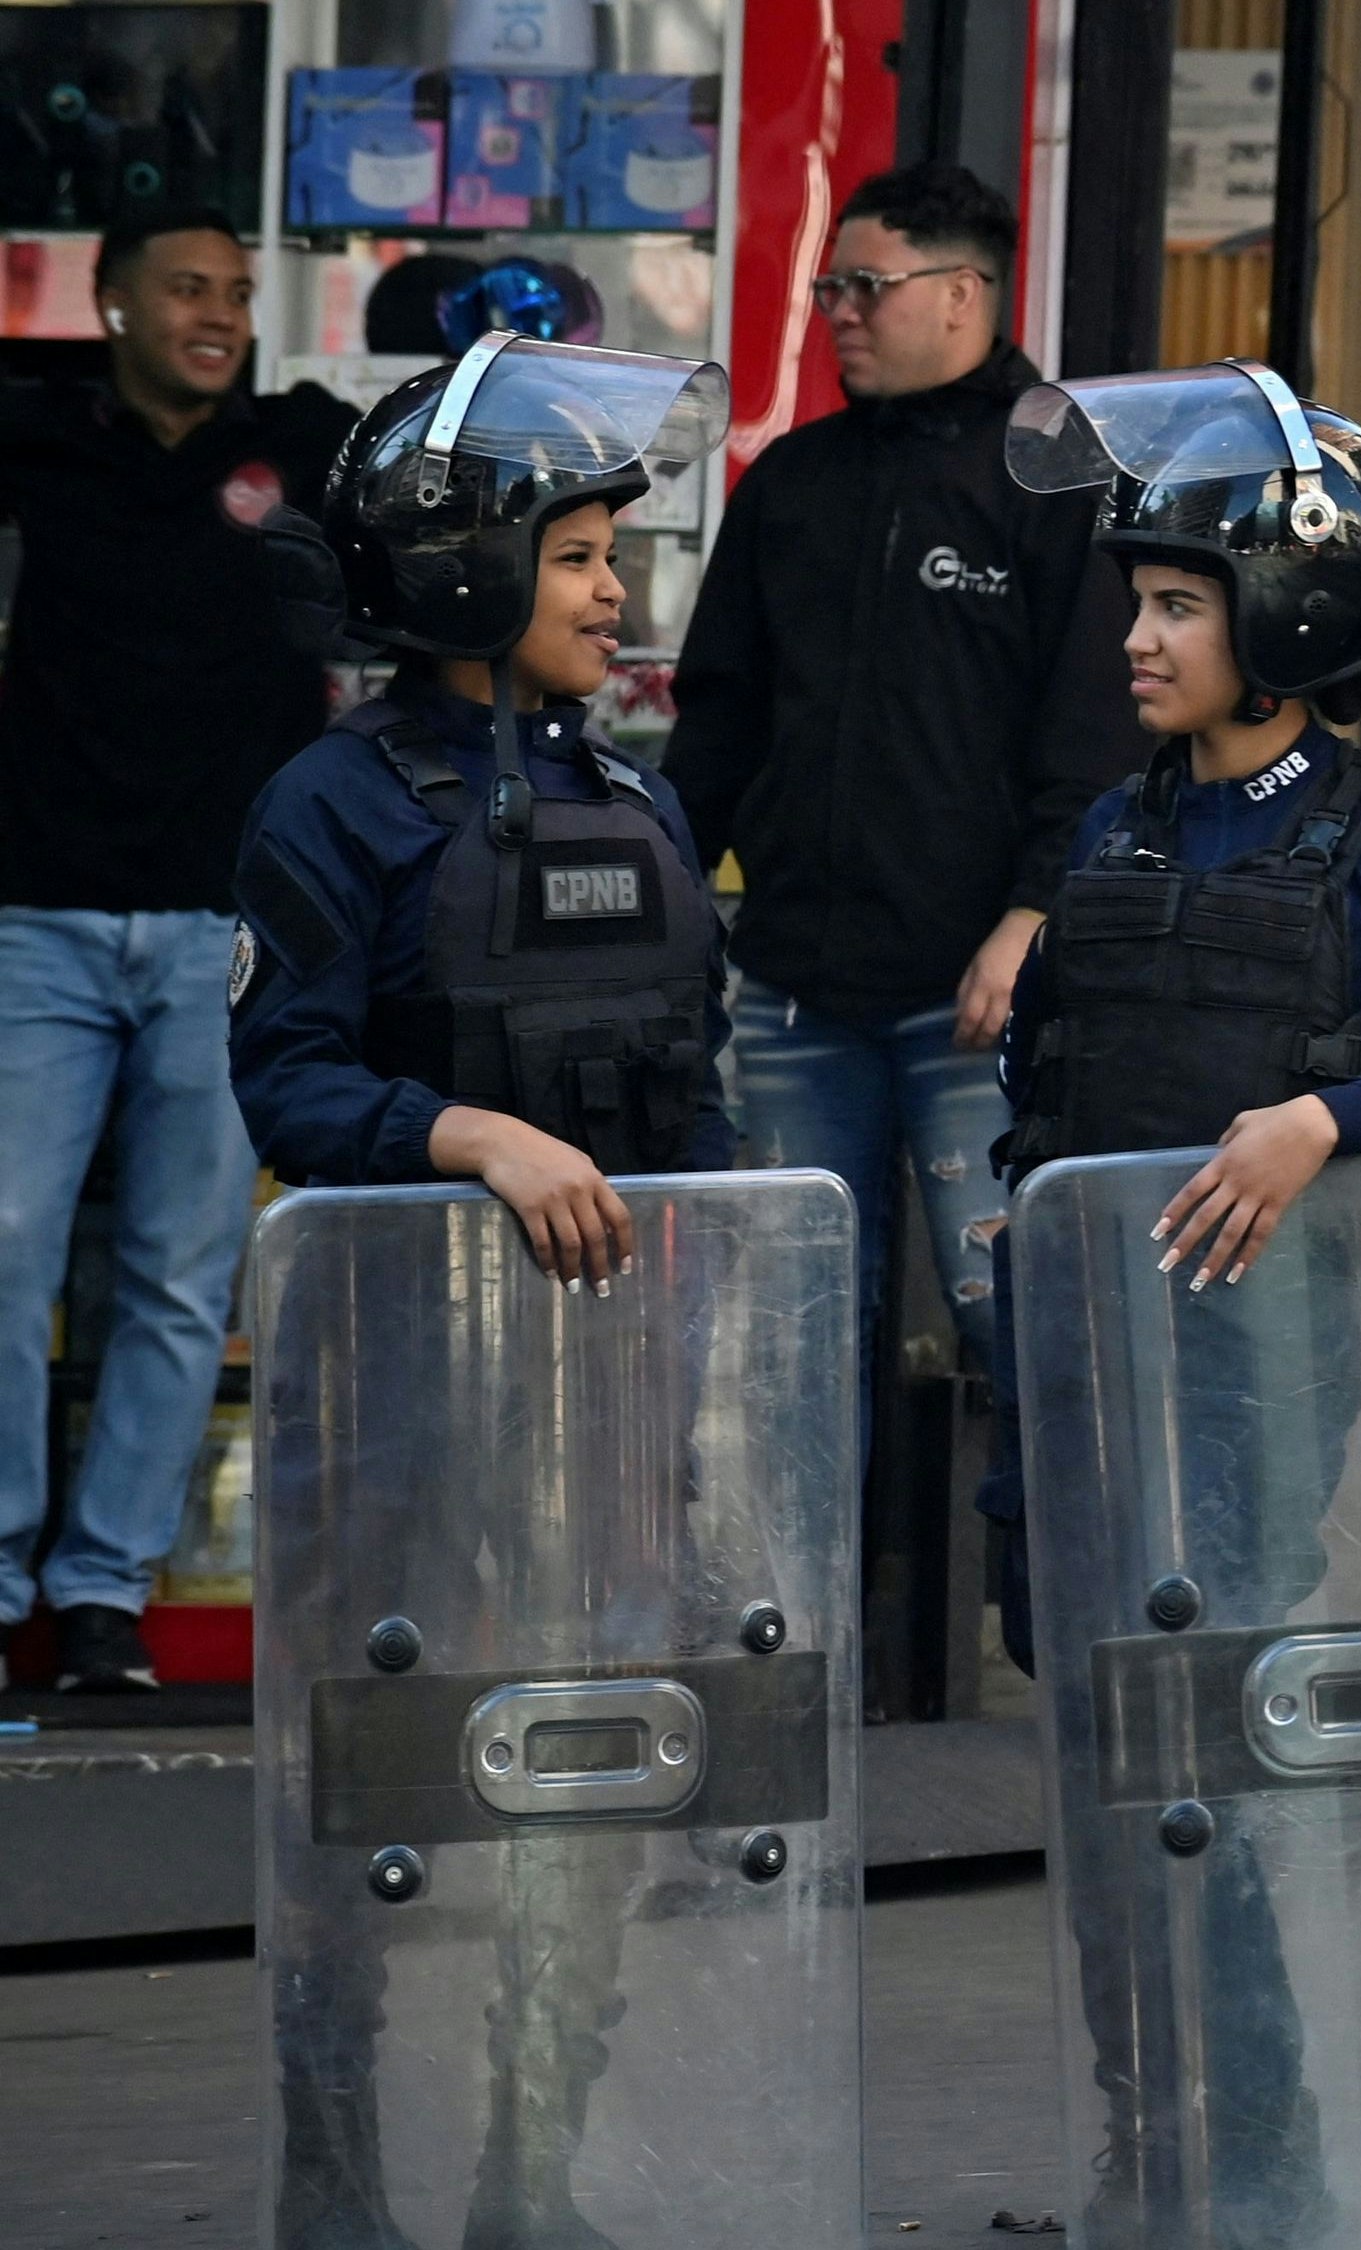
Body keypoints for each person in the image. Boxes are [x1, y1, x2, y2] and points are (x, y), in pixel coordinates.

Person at [979, 364, 1361, 2240]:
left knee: (1216, 1771)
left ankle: (1268, 2153)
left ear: (1285, 619)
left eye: (1176, 605)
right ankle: (1157, 2146)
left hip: (1269, 1383)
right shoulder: (1113, 829)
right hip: (1090, 1376)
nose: (1136, 638)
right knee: (1114, 1770)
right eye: (1139, 603)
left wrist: (1319, 1120)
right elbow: (1040, 1104)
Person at [229, 333, 734, 2247]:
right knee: (366, 1791)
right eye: (587, 555)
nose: (619, 592)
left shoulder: (642, 798)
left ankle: (533, 2173)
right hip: (400, 1393)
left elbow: (701, 1096)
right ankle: (342, 2176)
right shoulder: (331, 808)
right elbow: (289, 1079)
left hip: (606, 1398)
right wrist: (475, 1140)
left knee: (581, 1797)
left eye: (619, 555)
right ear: (467, 575)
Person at [661, 161, 1135, 1427]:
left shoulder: (1058, 478)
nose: (839, 314)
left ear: (965, 293)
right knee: (780, 1339)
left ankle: (1046, 1618)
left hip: (977, 996)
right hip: (797, 986)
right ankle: (809, 1626)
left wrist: (1031, 919)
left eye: (866, 286)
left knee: (1021, 1322)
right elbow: (716, 723)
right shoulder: (793, 485)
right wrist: (653, 905)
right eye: (831, 289)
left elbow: (1094, 734)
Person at [0, 205, 354, 1693]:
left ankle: (101, 1596)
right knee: (4, 1249)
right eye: (186, 290)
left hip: (229, 930)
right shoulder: (32, 439)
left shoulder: (302, 445)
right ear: (114, 304)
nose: (217, 314)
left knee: (178, 1270)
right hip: (38, 913)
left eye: (236, 292)